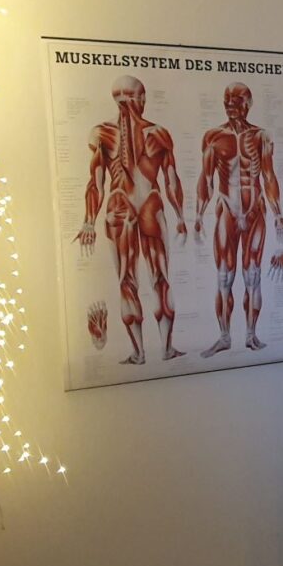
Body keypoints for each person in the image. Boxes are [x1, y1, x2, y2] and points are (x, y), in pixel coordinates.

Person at [76, 75, 187, 364]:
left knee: (128, 279)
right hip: (148, 203)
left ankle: (140, 353)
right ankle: (166, 349)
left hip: (120, 206)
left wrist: (89, 221)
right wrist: (179, 217)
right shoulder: (158, 133)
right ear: (142, 98)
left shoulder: (101, 133)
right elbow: (171, 180)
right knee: (159, 277)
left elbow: (96, 182)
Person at [195, 82, 283, 356]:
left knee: (253, 275)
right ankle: (225, 336)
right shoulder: (213, 137)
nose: (230, 106)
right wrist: (199, 213)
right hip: (227, 208)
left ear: (248, 104)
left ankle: (250, 334)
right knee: (224, 276)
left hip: (255, 209)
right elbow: (206, 179)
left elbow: (268, 176)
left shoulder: (261, 136)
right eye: (227, 101)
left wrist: (278, 212)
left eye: (236, 101)